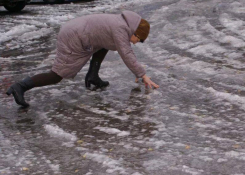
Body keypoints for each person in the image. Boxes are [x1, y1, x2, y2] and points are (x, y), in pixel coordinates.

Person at [6, 10, 159, 107]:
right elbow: (126, 53)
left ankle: (93, 76)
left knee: (105, 43)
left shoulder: (121, 23)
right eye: (138, 39)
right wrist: (142, 74)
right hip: (73, 36)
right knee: (57, 75)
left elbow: (111, 42)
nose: (136, 42)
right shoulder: (120, 29)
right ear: (134, 31)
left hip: (77, 30)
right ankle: (20, 86)